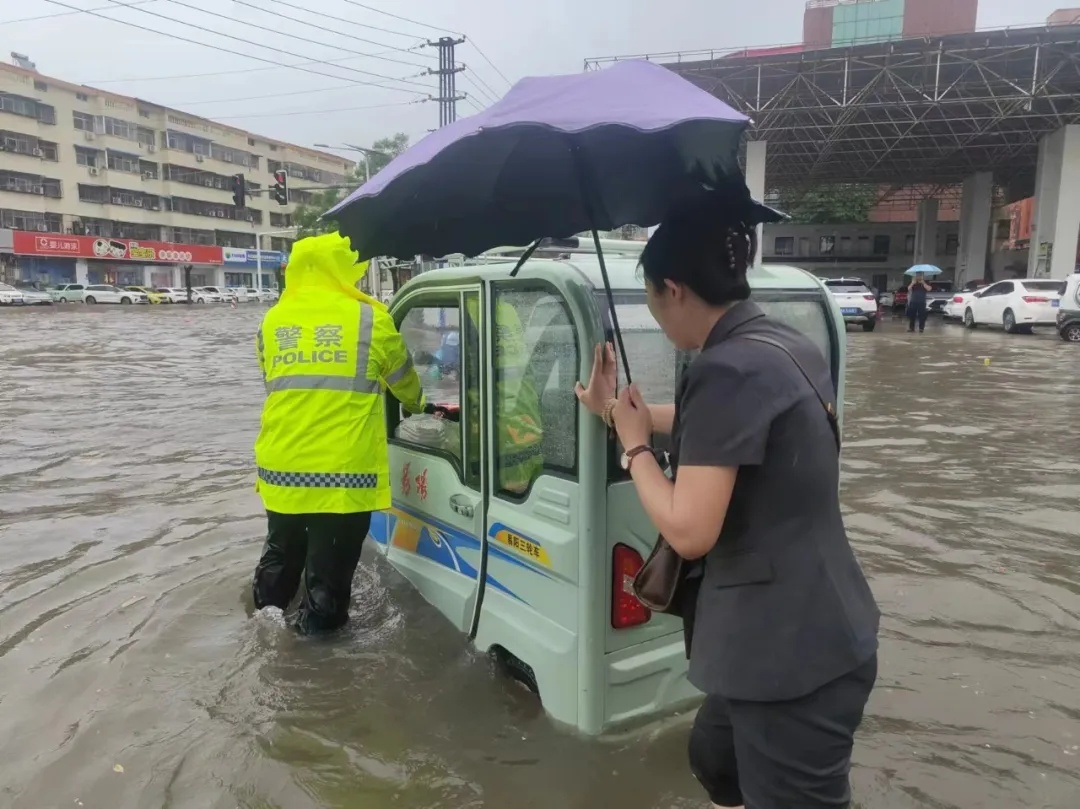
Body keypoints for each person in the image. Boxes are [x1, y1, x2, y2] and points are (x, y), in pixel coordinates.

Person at [575, 191, 880, 809]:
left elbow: (689, 531)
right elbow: (718, 432)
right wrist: (613, 410)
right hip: (812, 625)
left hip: (789, 656)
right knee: (715, 758)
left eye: (655, 301)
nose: (659, 318)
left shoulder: (727, 370)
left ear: (674, 288)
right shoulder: (782, 346)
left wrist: (633, 448)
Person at [252, 231, 429, 634]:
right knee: (327, 577)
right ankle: (315, 668)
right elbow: (405, 383)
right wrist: (422, 407)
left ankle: (264, 628)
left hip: (281, 466)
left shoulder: (273, 319)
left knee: (280, 554)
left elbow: (272, 379)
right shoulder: (370, 318)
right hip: (341, 473)